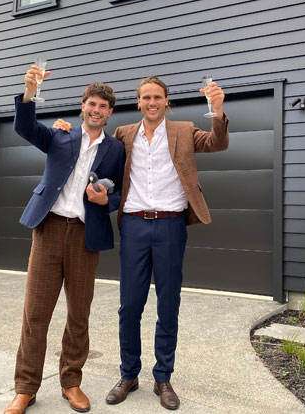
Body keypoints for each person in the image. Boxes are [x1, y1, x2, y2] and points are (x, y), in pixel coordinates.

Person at [3, 65, 125, 414]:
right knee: (36, 314)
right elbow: (24, 126)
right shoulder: (60, 135)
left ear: (110, 113)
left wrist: (107, 200)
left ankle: (71, 383)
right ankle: (25, 388)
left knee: (78, 314)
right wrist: (29, 91)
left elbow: (119, 193)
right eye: (92, 104)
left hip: (86, 236)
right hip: (50, 229)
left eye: (103, 106)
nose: (96, 110)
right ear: (82, 106)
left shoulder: (115, 149)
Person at [107, 76, 228, 410]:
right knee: (130, 304)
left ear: (166, 101)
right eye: (145, 97)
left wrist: (217, 111)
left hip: (171, 226)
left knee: (167, 303)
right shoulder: (124, 134)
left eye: (157, 97)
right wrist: (67, 132)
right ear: (139, 102)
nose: (151, 102)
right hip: (133, 226)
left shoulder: (185, 130)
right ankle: (129, 374)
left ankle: (163, 377)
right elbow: (103, 160)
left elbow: (217, 143)